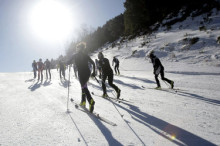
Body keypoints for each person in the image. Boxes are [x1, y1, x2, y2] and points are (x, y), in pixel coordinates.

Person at [68, 42, 96, 113]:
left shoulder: (75, 55)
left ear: (79, 48)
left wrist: (61, 62)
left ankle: (90, 100)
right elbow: (93, 63)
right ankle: (83, 101)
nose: (76, 49)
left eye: (77, 47)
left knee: (84, 86)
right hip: (87, 73)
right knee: (83, 86)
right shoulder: (85, 55)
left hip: (81, 73)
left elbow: (68, 62)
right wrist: (93, 72)